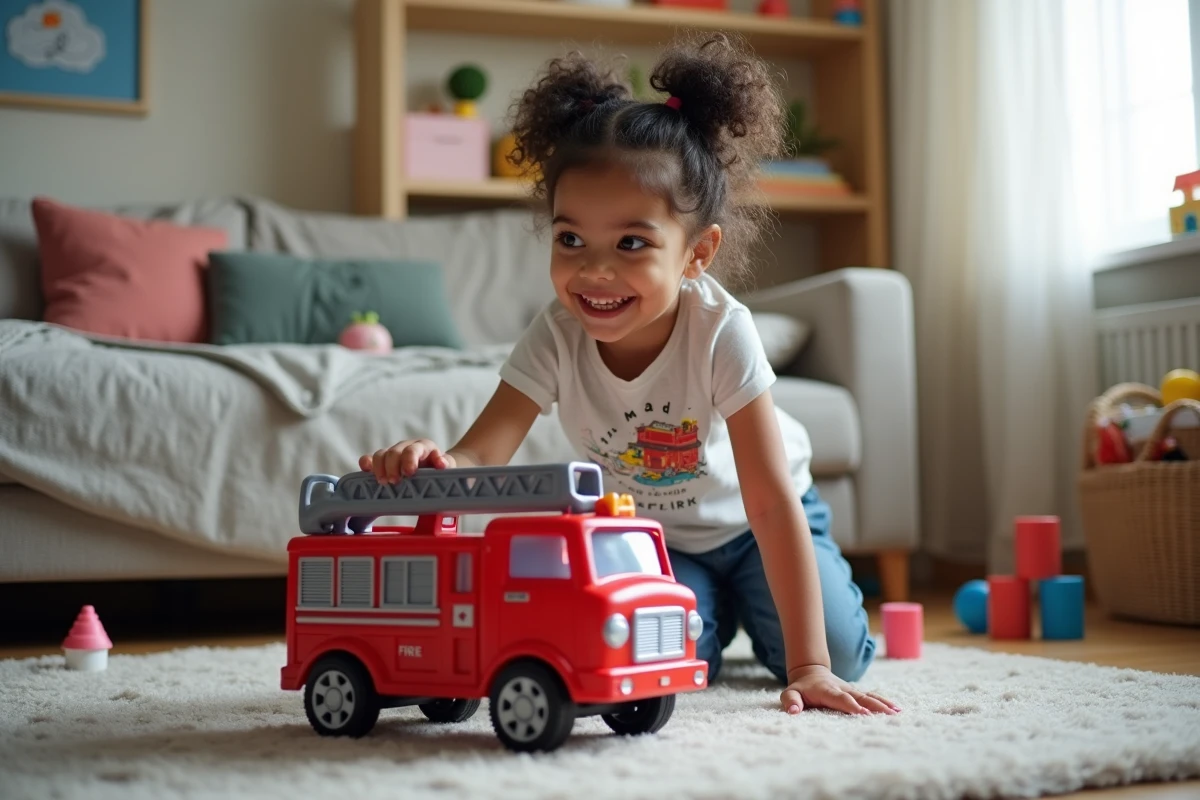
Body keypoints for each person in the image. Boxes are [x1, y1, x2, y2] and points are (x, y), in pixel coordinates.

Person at [361, 32, 897, 717]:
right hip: (653, 538)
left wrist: (810, 665)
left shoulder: (721, 330)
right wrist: (434, 462)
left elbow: (768, 502)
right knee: (657, 661)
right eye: (571, 239)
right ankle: (719, 607)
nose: (594, 271)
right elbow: (480, 453)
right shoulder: (556, 335)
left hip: (756, 522)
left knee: (839, 656)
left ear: (697, 253)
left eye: (632, 243)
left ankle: (762, 604)